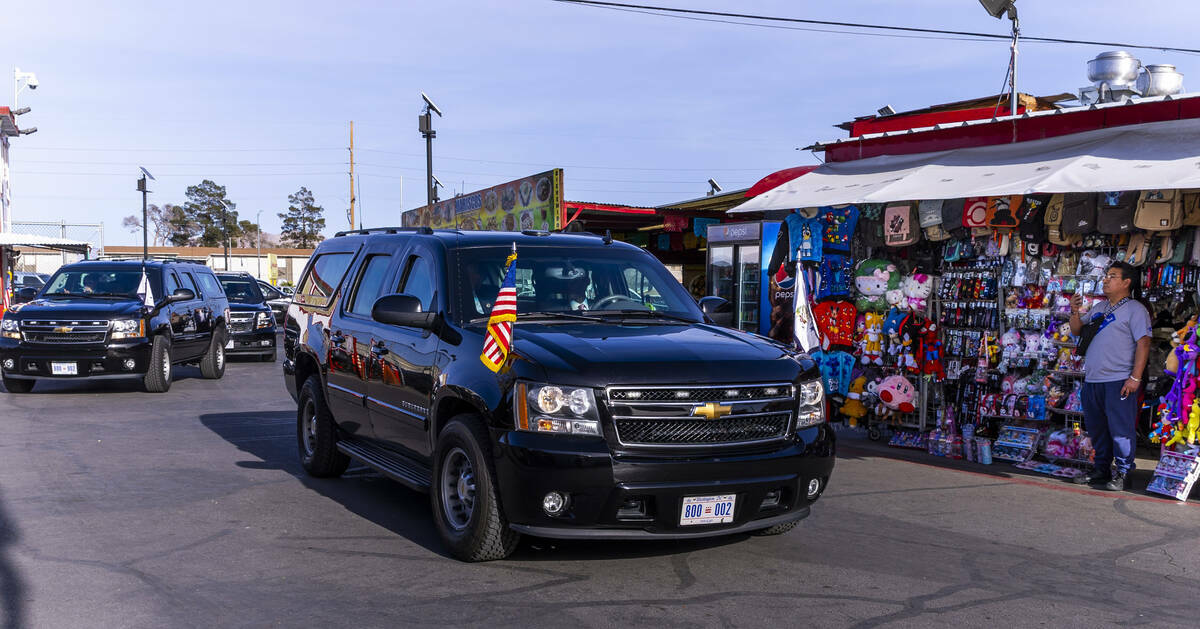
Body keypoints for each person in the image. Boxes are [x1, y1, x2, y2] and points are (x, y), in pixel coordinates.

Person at [1069, 261, 1151, 491]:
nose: (1105, 279)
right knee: (1098, 429)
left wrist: (1135, 378)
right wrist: (1075, 312)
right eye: (1106, 275)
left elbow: (1144, 344)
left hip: (1119, 381)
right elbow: (1076, 330)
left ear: (1126, 282)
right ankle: (1101, 469)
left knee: (1121, 430)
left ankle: (1124, 473)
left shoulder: (1135, 309)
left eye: (1112, 276)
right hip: (1093, 380)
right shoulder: (1099, 308)